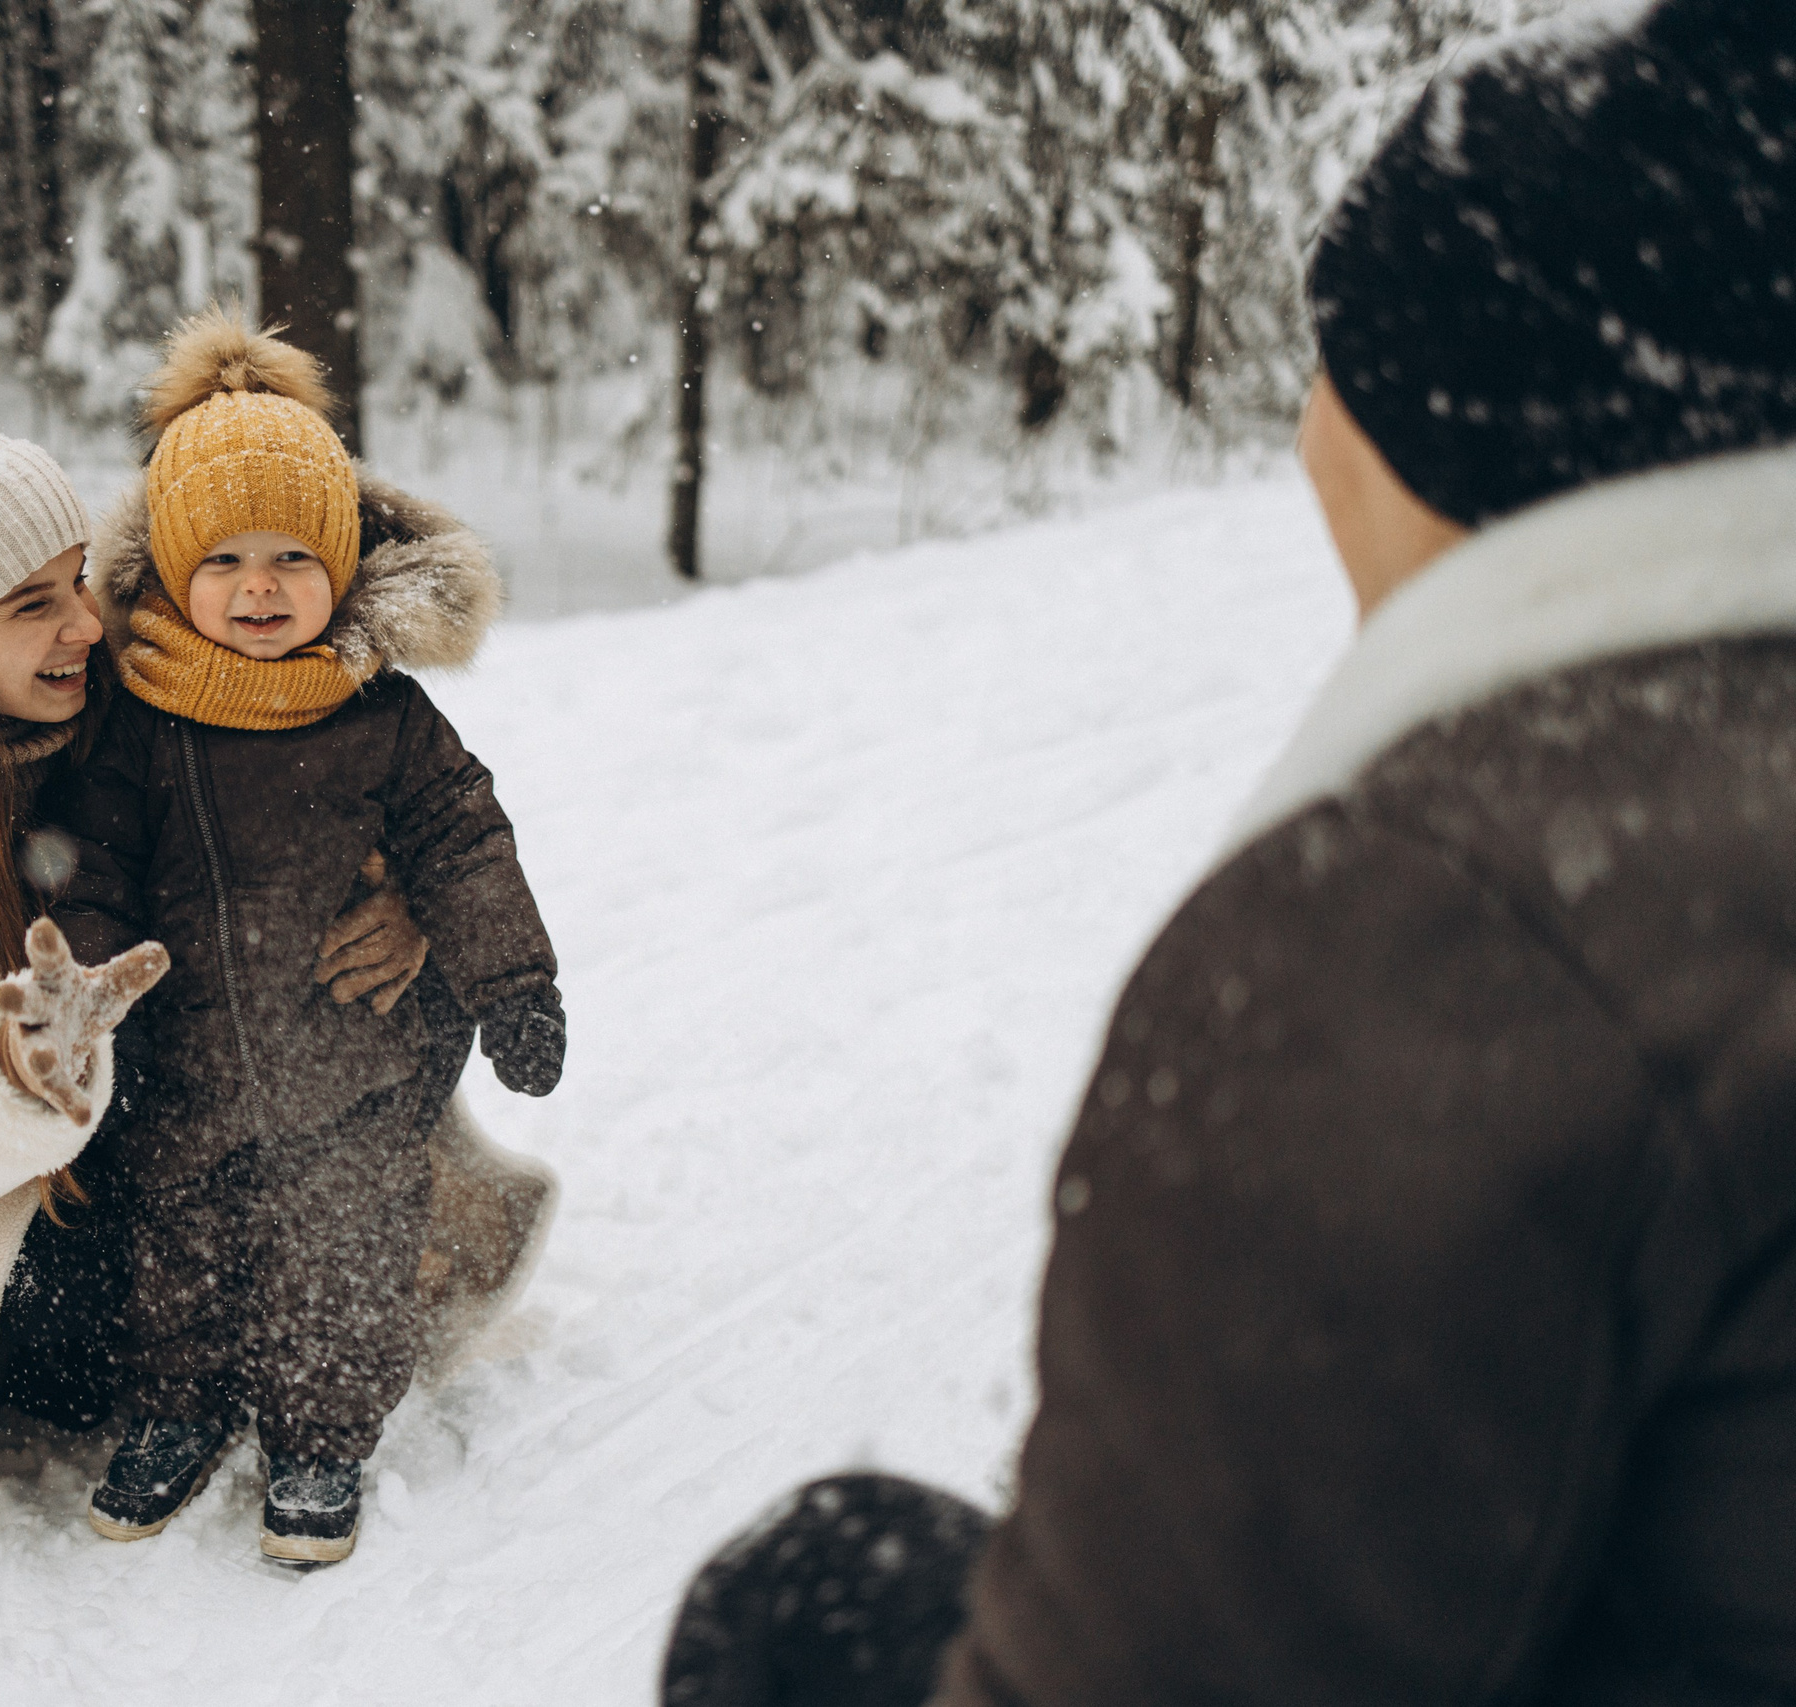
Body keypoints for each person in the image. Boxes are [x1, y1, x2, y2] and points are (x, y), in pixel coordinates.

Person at [664, 1, 1796, 1699]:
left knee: (800, 1607)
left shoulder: (1441, 935)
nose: (1300, 435)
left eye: (1331, 367)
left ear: (1449, 426)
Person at [0, 365, 557, 1502]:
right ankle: (177, 1374)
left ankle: (314, 1364)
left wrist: (414, 894)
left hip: (265, 1063)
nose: (87, 622)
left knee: (317, 1226)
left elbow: (338, 709)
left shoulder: (149, 659)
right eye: (34, 605)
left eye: (78, 580)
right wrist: (13, 1059)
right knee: (66, 1346)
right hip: (39, 1165)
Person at [43, 310, 566, 1566]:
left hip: (354, 1070)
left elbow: (464, 840)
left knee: (340, 1267)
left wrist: (517, 985)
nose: (259, 588)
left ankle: (321, 1441)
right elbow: (91, 861)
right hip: (184, 1068)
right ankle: (180, 1413)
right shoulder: (137, 725)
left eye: (291, 557)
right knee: (179, 1264)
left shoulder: (381, 717)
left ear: (341, 565)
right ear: (170, 572)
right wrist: (87, 993)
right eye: (223, 561)